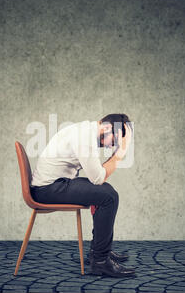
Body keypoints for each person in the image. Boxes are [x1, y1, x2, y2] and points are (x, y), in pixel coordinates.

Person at [30, 113, 135, 277]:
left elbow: (97, 177)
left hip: (54, 184)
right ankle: (100, 261)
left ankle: (99, 251)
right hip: (48, 189)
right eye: (114, 142)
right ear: (107, 128)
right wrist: (120, 153)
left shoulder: (86, 131)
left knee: (105, 193)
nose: (110, 147)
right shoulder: (85, 137)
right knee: (109, 196)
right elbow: (98, 178)